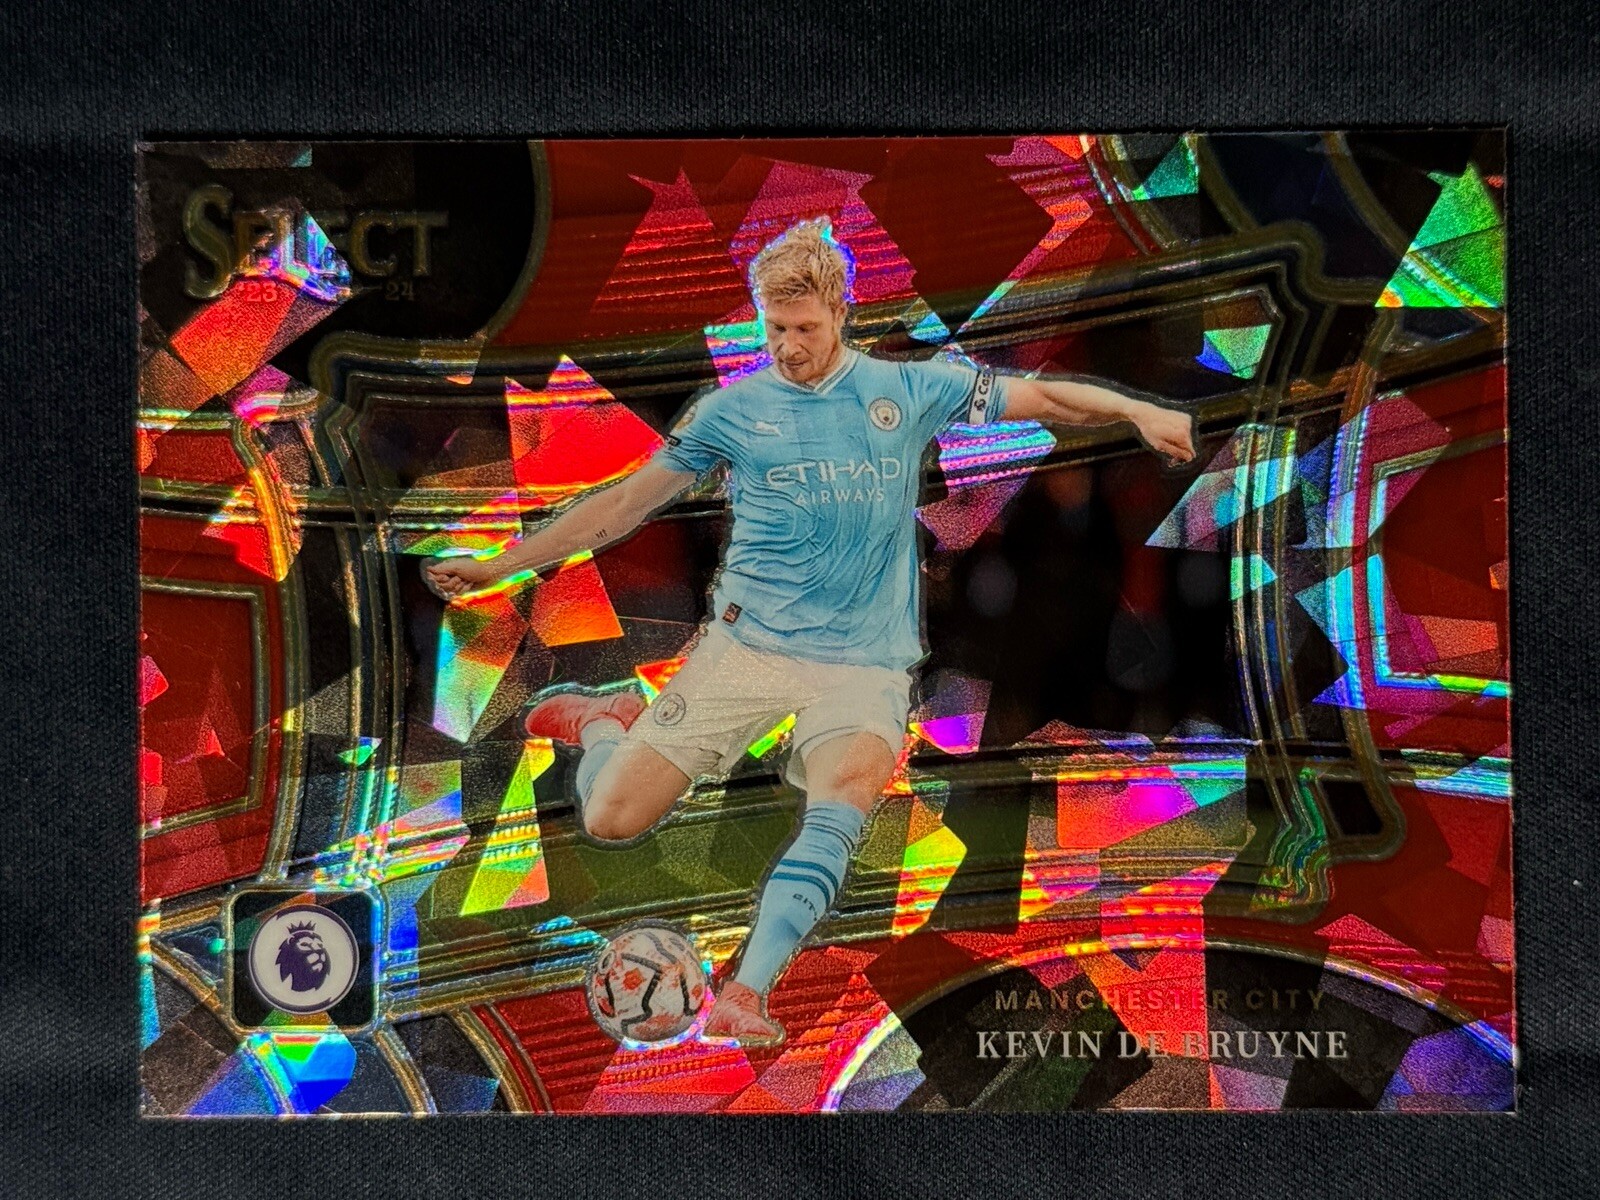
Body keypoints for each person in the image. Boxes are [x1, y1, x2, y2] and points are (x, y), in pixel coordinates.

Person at [426, 220, 1196, 1046]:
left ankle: (746, 992)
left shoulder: (908, 389)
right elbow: (623, 506)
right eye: (775, 330)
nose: (788, 347)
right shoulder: (734, 411)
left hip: (864, 664)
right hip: (748, 650)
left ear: (840, 315)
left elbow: (1041, 398)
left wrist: (1136, 409)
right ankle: (605, 722)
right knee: (611, 820)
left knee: (844, 799)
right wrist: (504, 564)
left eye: (803, 328)